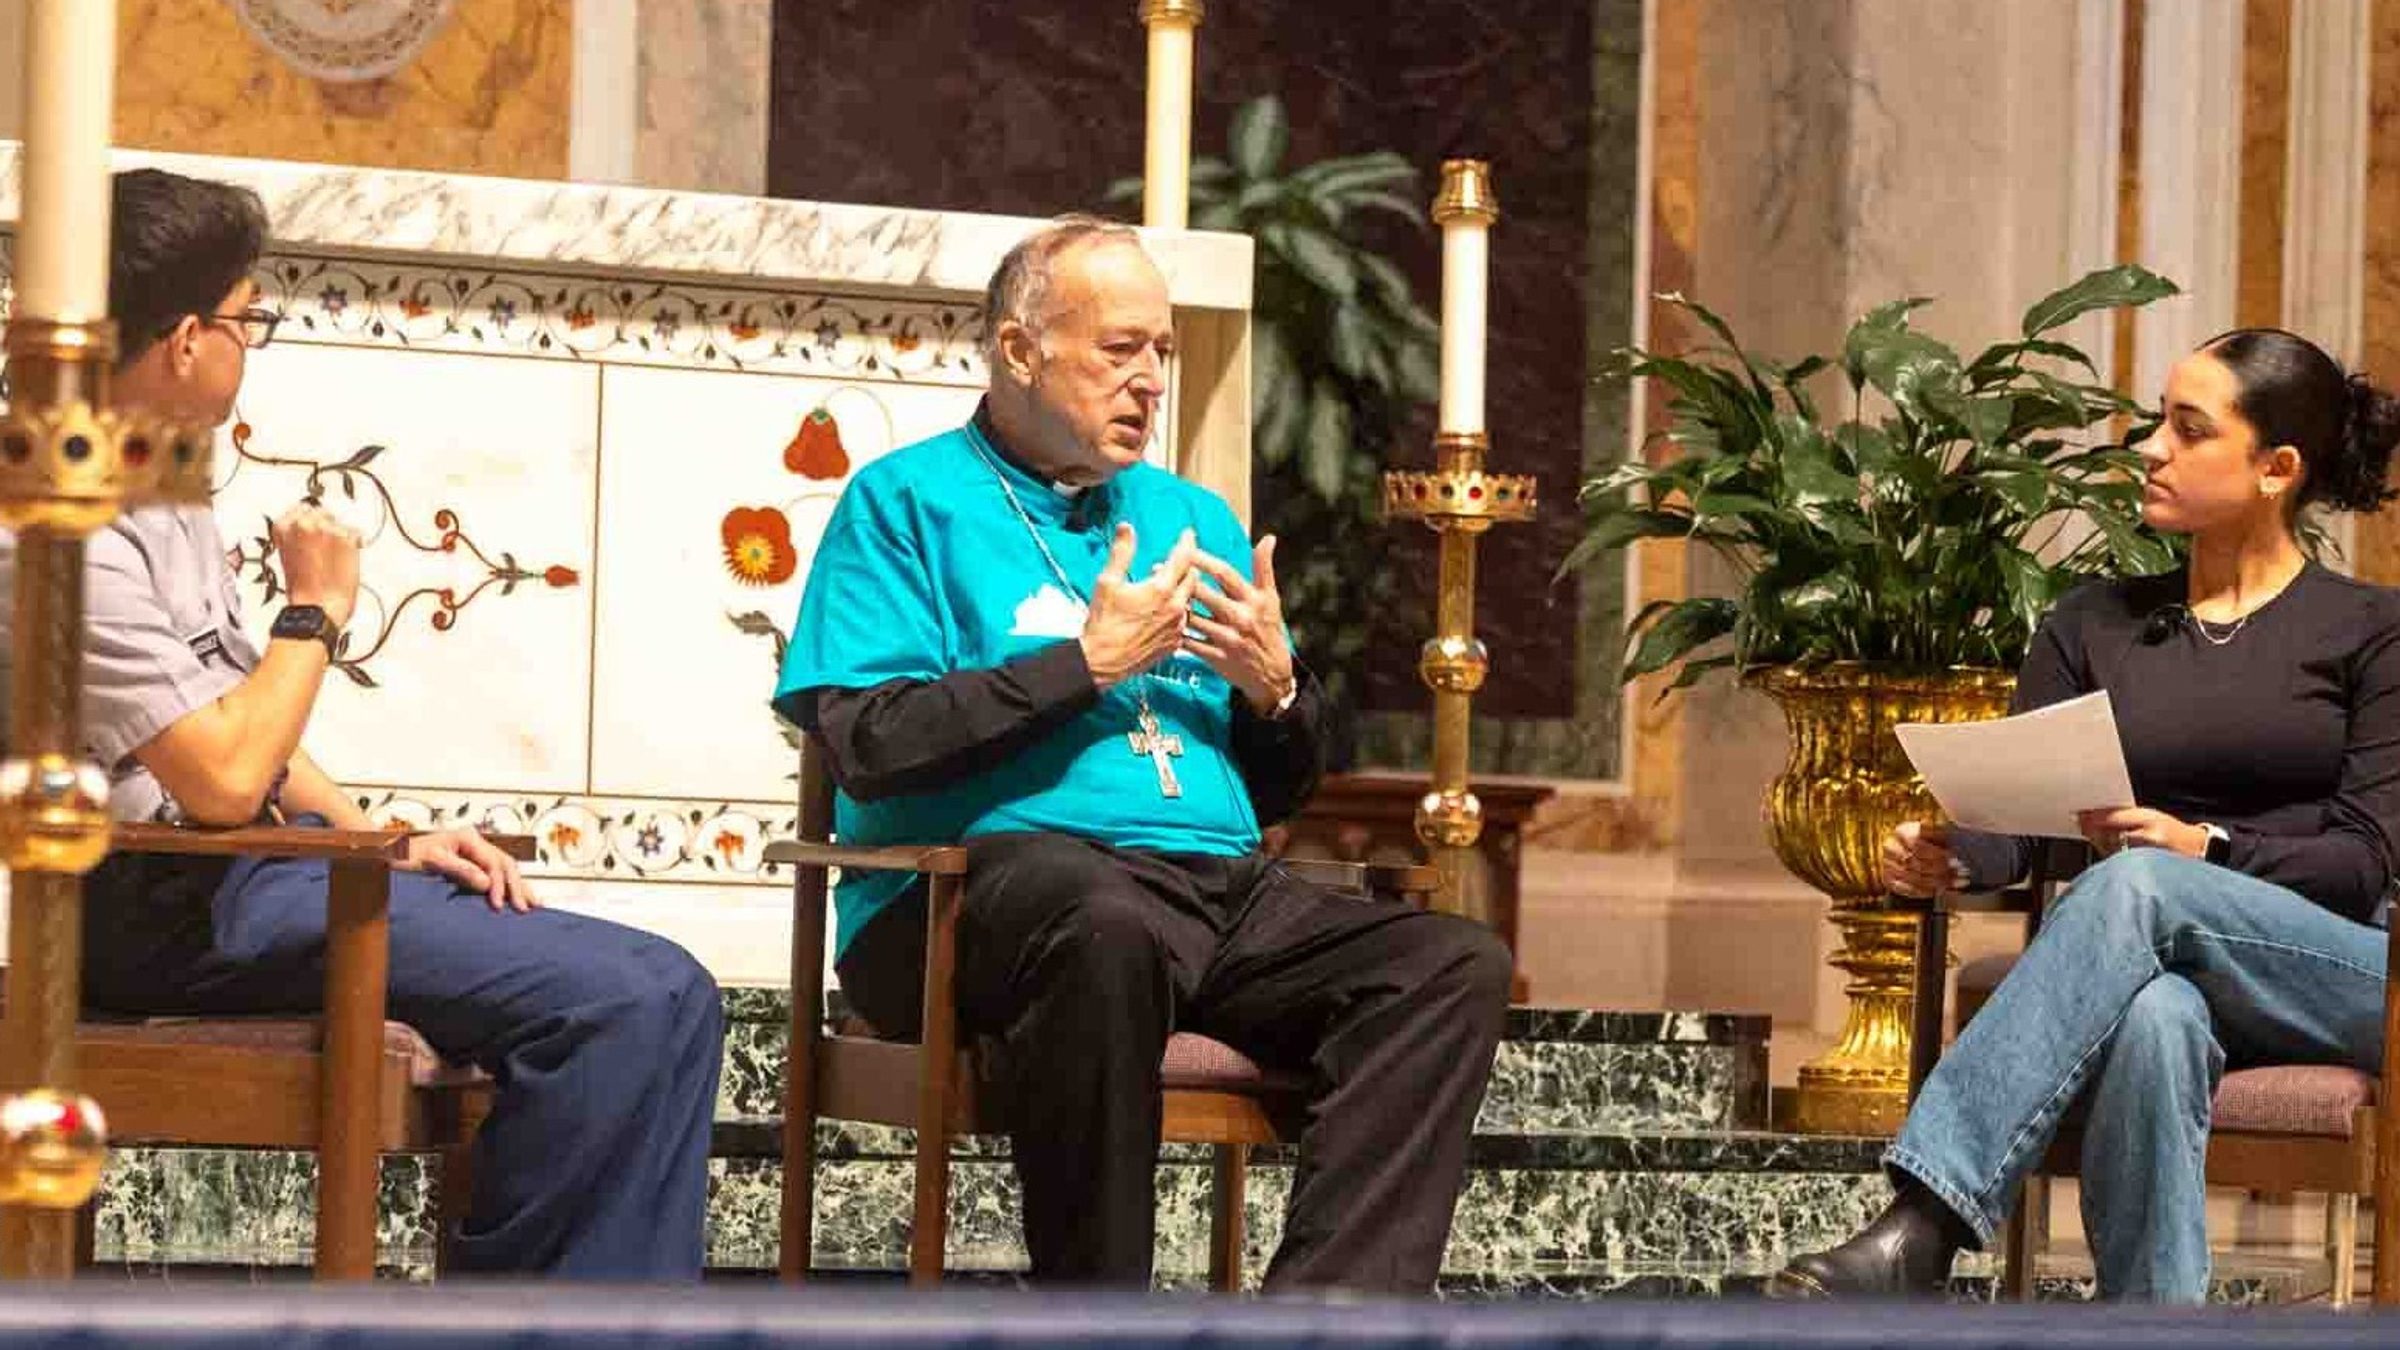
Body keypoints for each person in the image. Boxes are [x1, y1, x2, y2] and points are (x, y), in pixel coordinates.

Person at [773, 216, 1512, 1292]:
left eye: (1161, 351)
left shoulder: (1191, 518)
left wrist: (1277, 692)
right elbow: (869, 742)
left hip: (1211, 894)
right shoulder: (904, 503)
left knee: (1448, 964)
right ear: (1020, 351)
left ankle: (1325, 1322)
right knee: (1099, 921)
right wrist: (1081, 665)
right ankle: (1100, 1319)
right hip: (963, 901)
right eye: (1120, 349)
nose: (1151, 380)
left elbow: (1278, 790)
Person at [20, 168, 724, 1278]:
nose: (253, 346)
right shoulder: (67, 529)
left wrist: (383, 839)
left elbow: (243, 727)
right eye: (249, 321)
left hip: (251, 872)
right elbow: (220, 779)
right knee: (618, 1004)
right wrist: (316, 610)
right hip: (163, 903)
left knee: (672, 989)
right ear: (188, 339)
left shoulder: (156, 486)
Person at [1771, 327, 2400, 1302]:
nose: (2151, 449)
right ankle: (2149, 1329)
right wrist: (1956, 856)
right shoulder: (2093, 622)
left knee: (2140, 883)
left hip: (2348, 977)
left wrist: (2204, 848)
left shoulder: (2372, 630)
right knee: (2154, 1018)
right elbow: (2030, 819)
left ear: (2276, 469)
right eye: (2157, 422)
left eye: (2189, 429)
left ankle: (1922, 1223)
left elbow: (2364, 861)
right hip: (2149, 960)